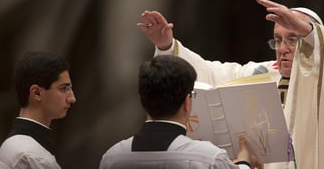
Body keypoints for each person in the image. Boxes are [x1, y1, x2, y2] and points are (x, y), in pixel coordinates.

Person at [137, 0, 324, 169]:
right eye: (278, 40)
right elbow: (207, 73)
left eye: (293, 39)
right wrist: (167, 45)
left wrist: (307, 30)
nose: (282, 49)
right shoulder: (259, 72)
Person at [99, 55, 261, 169]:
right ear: (187, 102)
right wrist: (244, 163)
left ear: (141, 98)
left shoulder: (113, 158)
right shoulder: (208, 159)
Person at [0, 51, 77, 169]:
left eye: (70, 88)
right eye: (64, 88)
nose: (72, 98)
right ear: (37, 93)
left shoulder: (20, 147)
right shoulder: (30, 155)